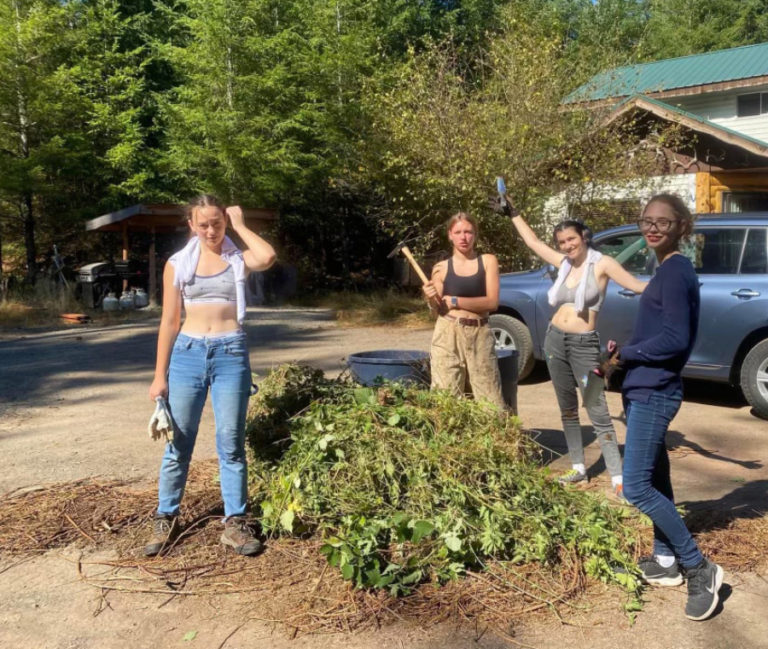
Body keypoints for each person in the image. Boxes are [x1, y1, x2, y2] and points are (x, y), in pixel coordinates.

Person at [609, 194, 723, 621]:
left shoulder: (675, 271)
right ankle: (664, 560)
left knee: (636, 487)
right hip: (646, 387)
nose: (652, 227)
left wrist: (631, 353)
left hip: (656, 390)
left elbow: (674, 340)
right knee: (656, 475)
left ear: (681, 226)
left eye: (663, 221)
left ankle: (699, 566)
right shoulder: (666, 270)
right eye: (646, 220)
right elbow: (662, 332)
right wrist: (627, 352)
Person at [145, 194, 276, 557]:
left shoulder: (237, 257)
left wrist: (241, 224)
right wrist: (160, 376)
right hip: (187, 355)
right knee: (178, 444)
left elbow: (267, 256)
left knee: (231, 443)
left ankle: (235, 523)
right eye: (202, 224)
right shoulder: (178, 263)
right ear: (191, 225)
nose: (210, 230)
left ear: (224, 221)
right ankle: (166, 517)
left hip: (230, 353)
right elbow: (169, 322)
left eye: (217, 223)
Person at [498, 197, 646, 495]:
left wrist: (678, 277)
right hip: (554, 341)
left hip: (584, 346)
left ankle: (618, 478)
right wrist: (513, 213)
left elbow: (638, 286)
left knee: (596, 408)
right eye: (562, 241)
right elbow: (533, 242)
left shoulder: (603, 264)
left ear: (584, 237)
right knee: (566, 409)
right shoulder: (563, 263)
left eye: (571, 239)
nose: (566, 245)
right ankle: (579, 467)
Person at [422, 212, 506, 411]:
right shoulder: (441, 268)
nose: (463, 237)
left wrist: (455, 300)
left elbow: (491, 303)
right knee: (446, 397)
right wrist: (429, 296)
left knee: (490, 401)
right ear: (450, 235)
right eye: (458, 232)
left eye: (468, 232)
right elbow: (437, 308)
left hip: (480, 334)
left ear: (475, 235)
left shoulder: (487, 261)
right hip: (448, 334)